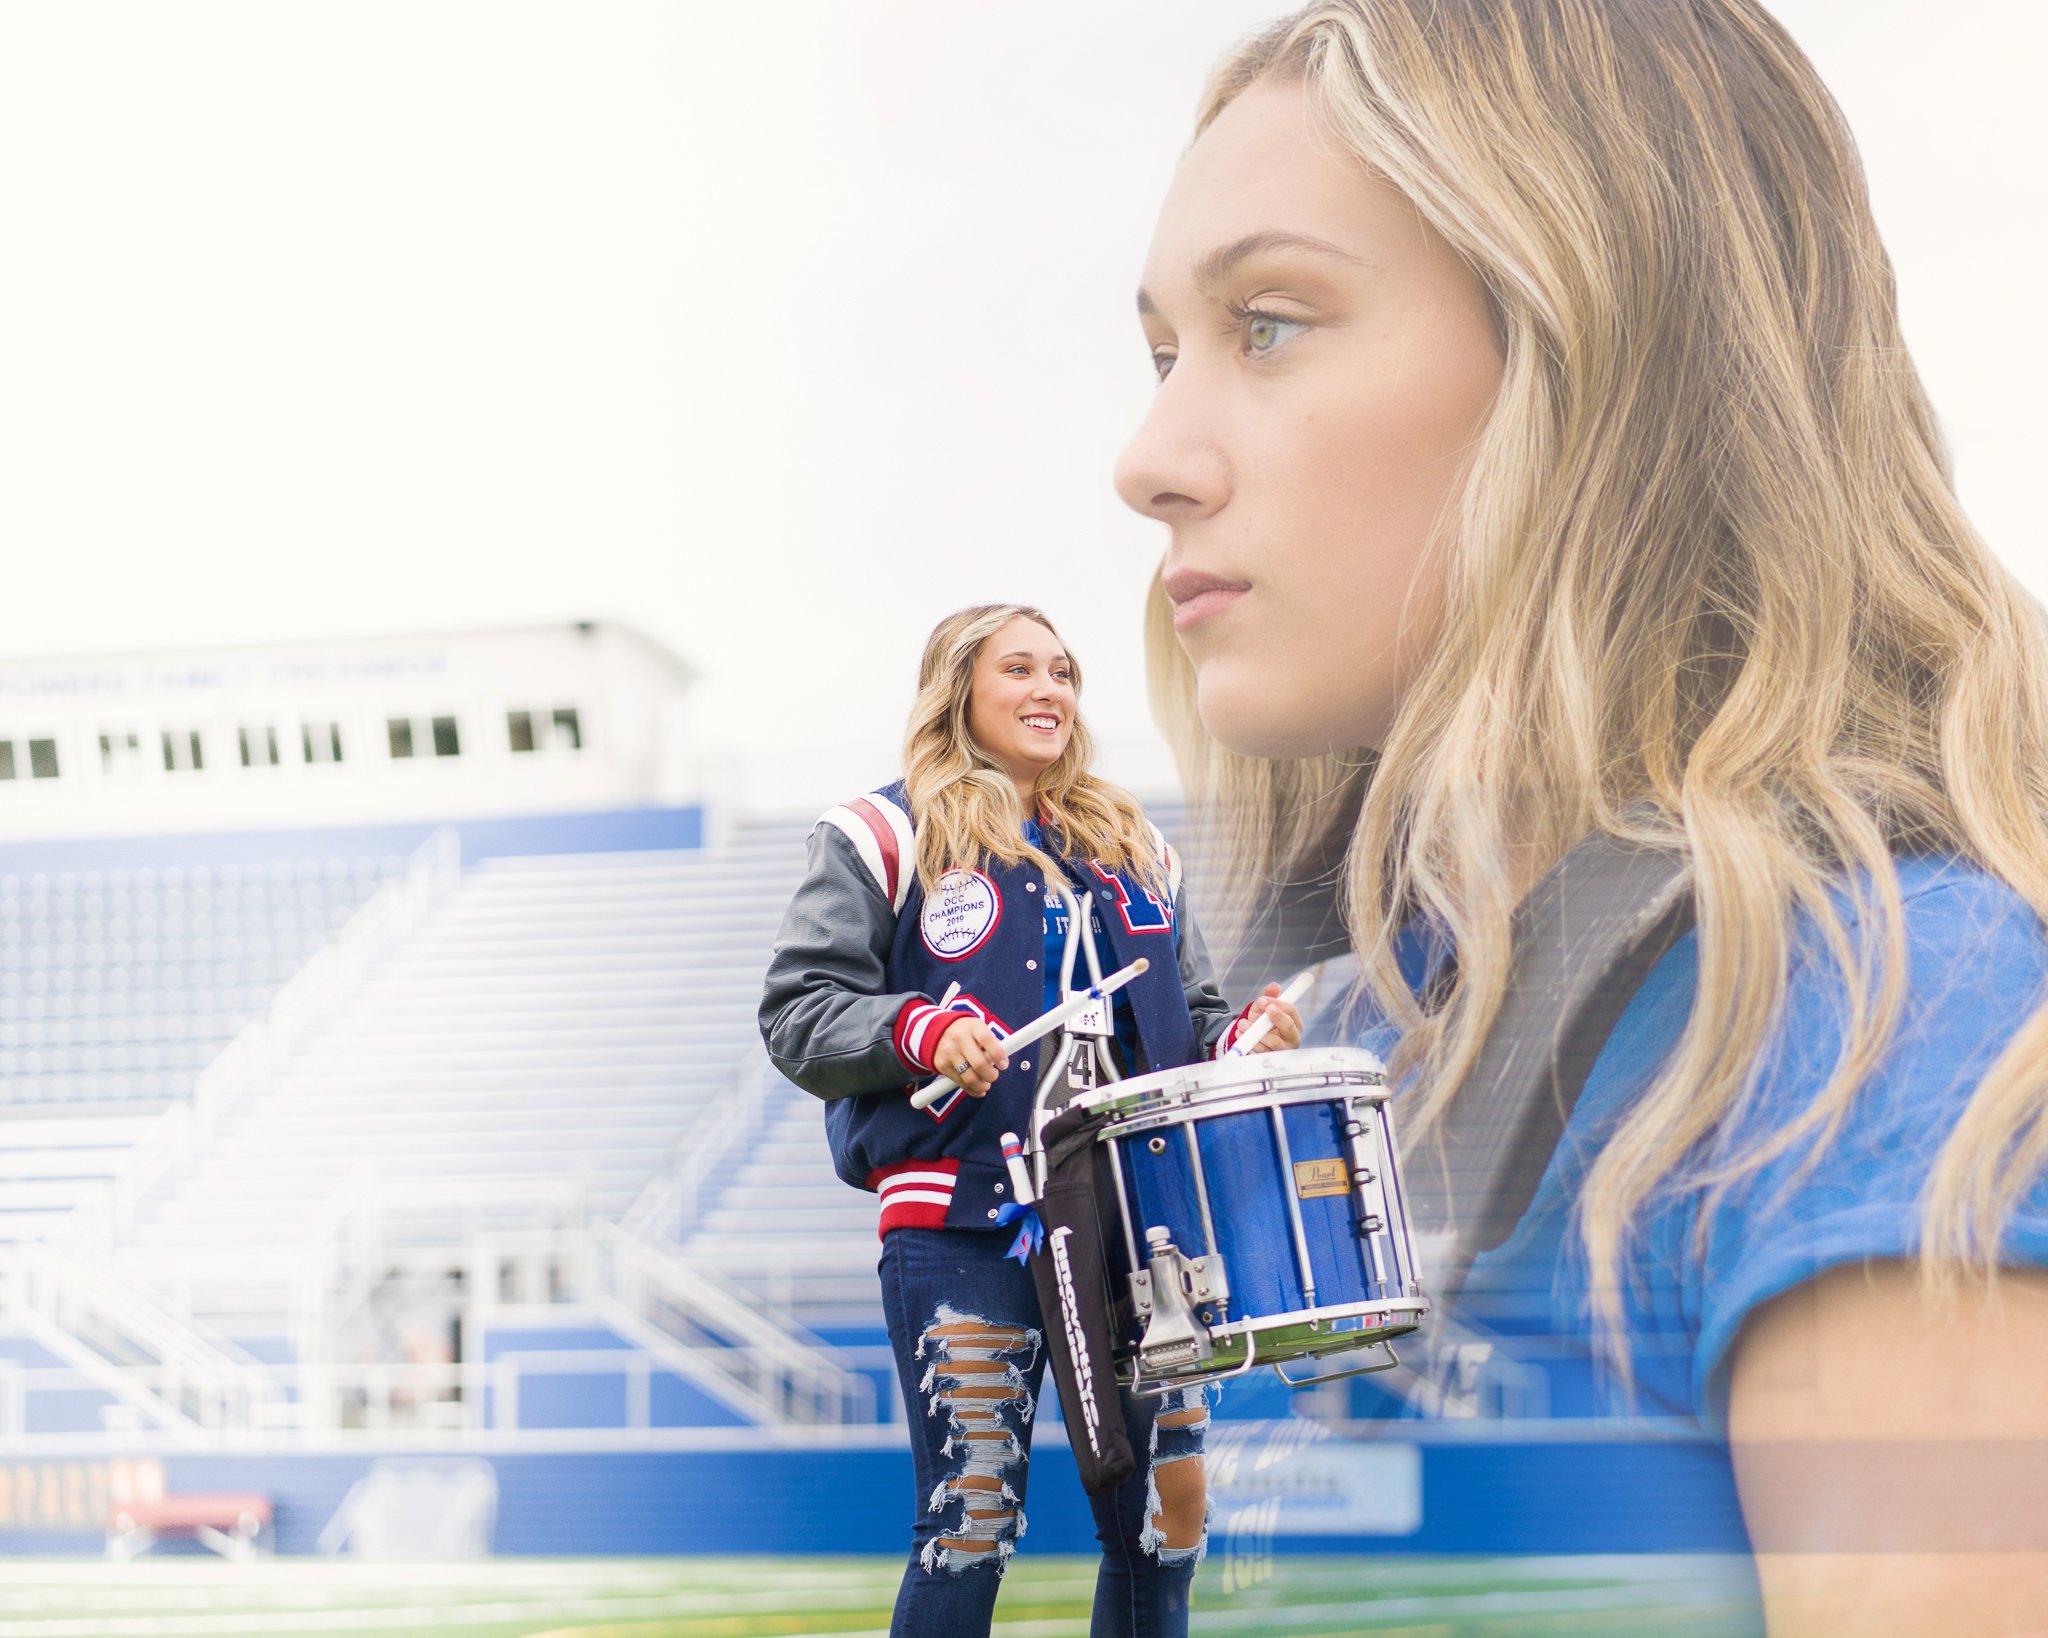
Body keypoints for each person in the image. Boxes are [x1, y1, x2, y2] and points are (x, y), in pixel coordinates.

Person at [1116, 3, 2048, 1633]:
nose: (1149, 459)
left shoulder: (1870, 1018)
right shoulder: (1370, 1024)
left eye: (1267, 323)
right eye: (1159, 355)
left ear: (1594, 346)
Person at [759, 601, 1302, 1638]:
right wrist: (917, 1030)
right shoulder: (880, 834)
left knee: (1166, 1518)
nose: (1049, 688)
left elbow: (1183, 1020)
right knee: (972, 1519)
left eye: (1062, 671)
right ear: (956, 688)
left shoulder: (1132, 845)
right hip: (964, 1219)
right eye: (1018, 669)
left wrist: (1242, 1041)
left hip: (1136, 1226)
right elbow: (797, 1012)